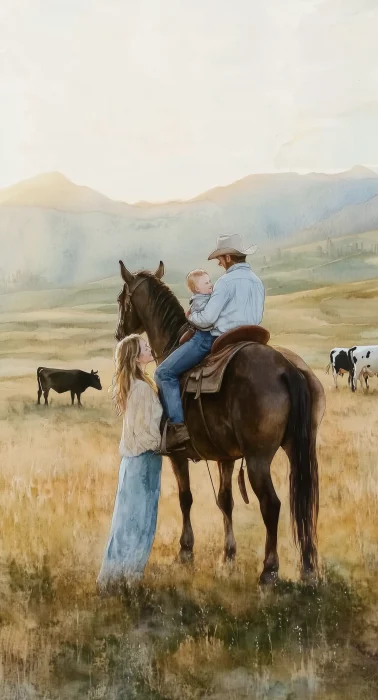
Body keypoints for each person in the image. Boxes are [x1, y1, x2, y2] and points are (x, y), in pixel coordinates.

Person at [155, 233, 265, 453]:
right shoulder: (256, 281)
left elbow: (207, 320)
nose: (218, 262)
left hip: (216, 339)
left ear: (227, 257)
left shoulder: (225, 282)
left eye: (220, 258)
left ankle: (178, 428)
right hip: (251, 338)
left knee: (163, 373)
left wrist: (190, 318)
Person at [97, 334, 163, 592]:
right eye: (146, 347)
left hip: (132, 462)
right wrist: (162, 442)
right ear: (136, 358)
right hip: (143, 460)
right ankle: (128, 580)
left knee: (126, 521)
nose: (150, 348)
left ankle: (113, 580)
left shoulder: (135, 384)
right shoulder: (143, 389)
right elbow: (143, 432)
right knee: (141, 521)